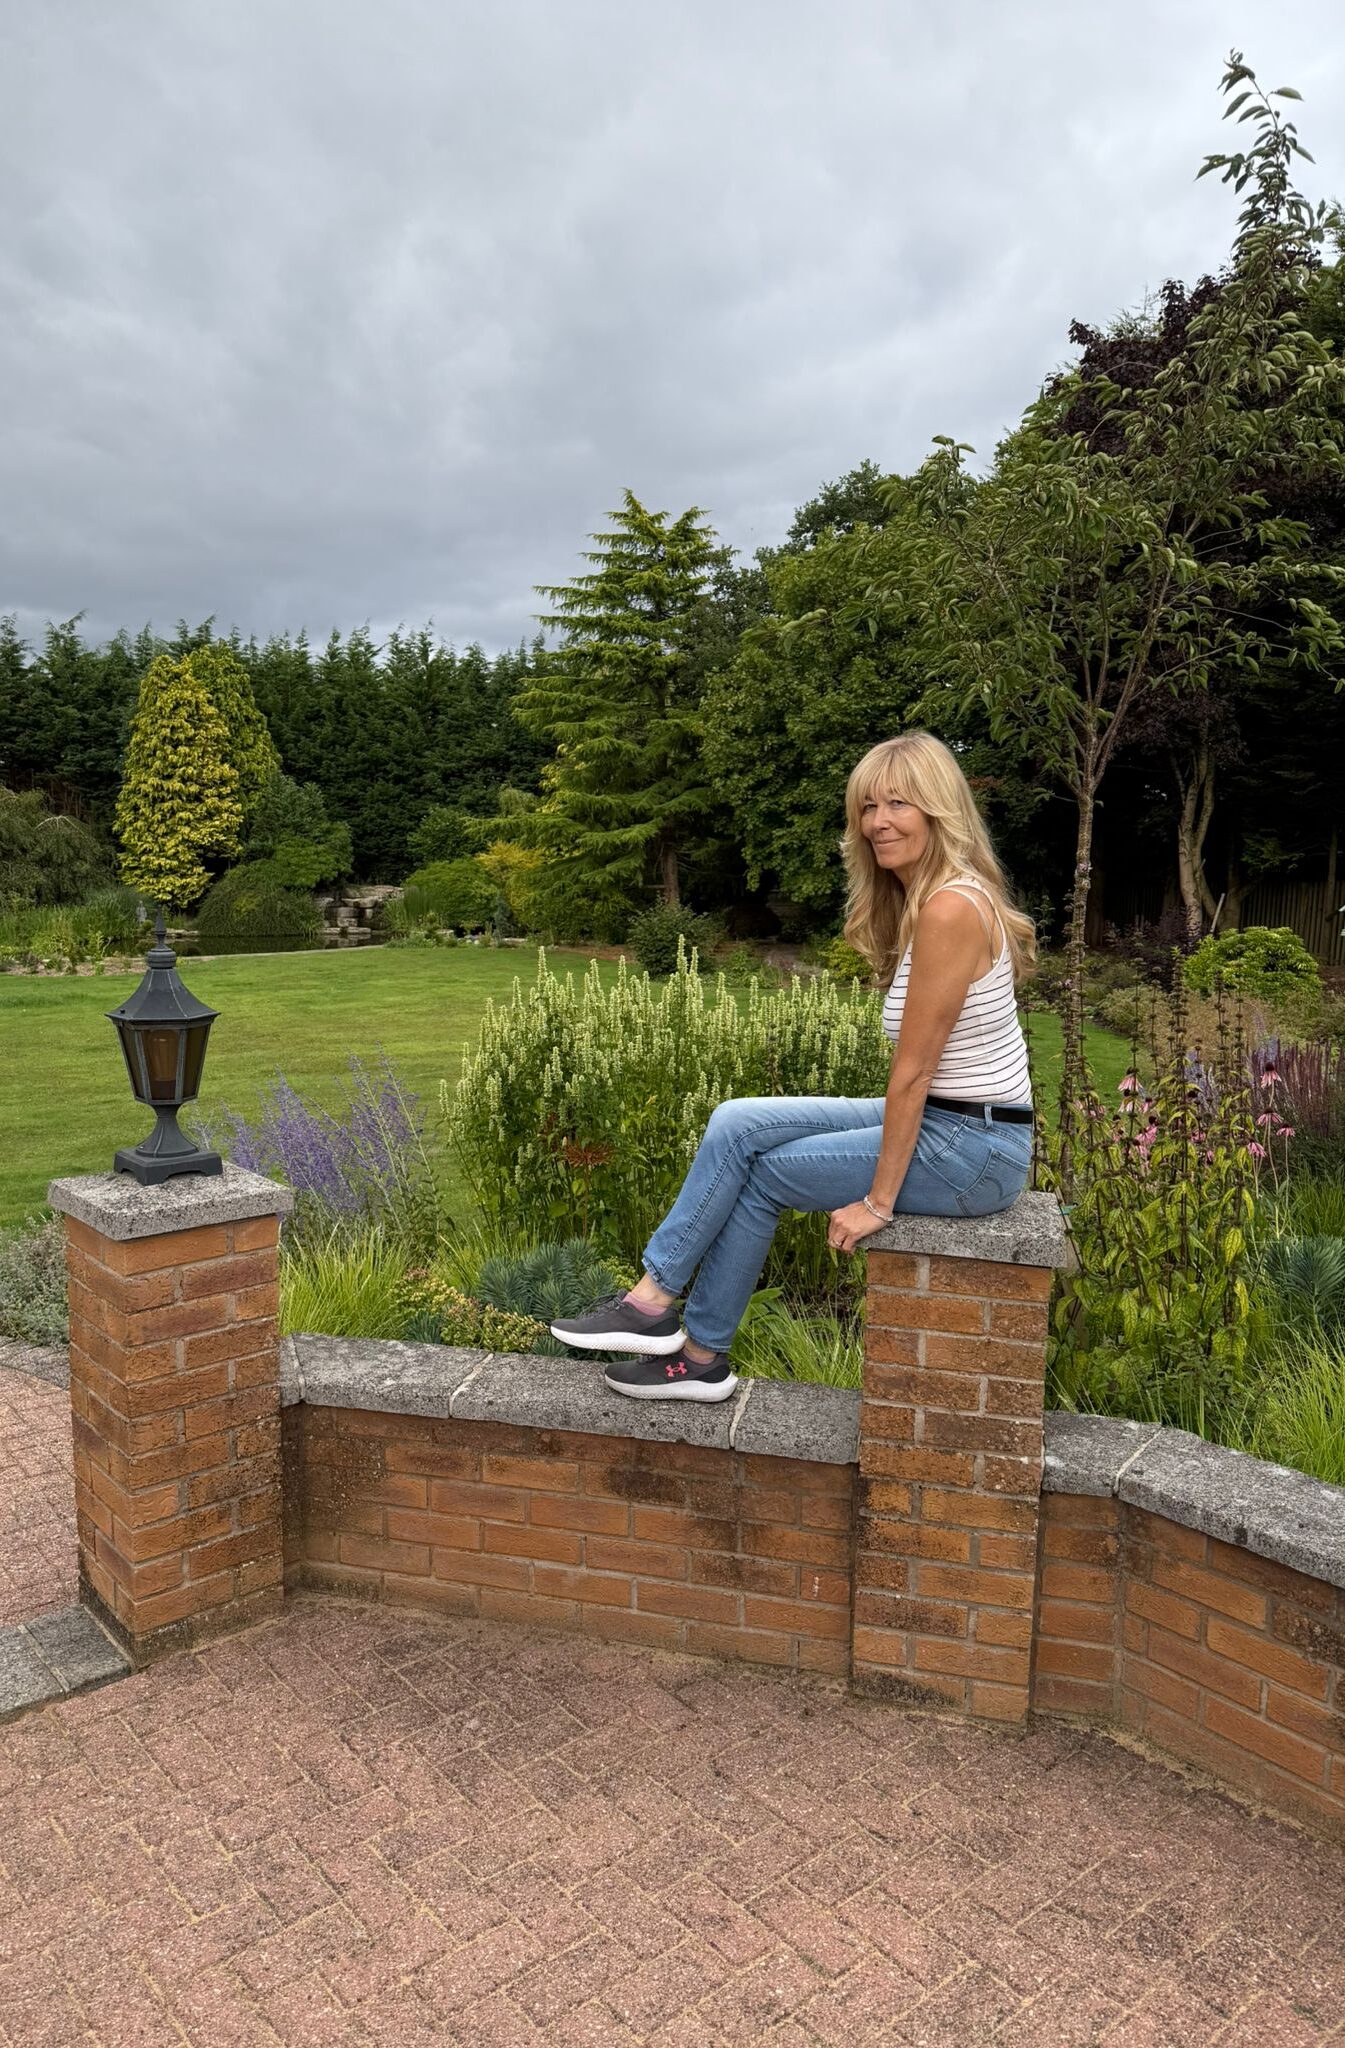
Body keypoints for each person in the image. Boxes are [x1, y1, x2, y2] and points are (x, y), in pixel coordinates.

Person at [551, 731, 1036, 1402]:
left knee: (765, 1173)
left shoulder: (951, 908)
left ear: (938, 810)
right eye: (867, 806)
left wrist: (878, 1203)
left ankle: (697, 1356)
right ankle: (651, 1302)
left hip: (973, 1149)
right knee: (737, 1122)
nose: (877, 822)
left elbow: (914, 1073)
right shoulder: (935, 900)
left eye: (898, 803)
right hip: (954, 1125)